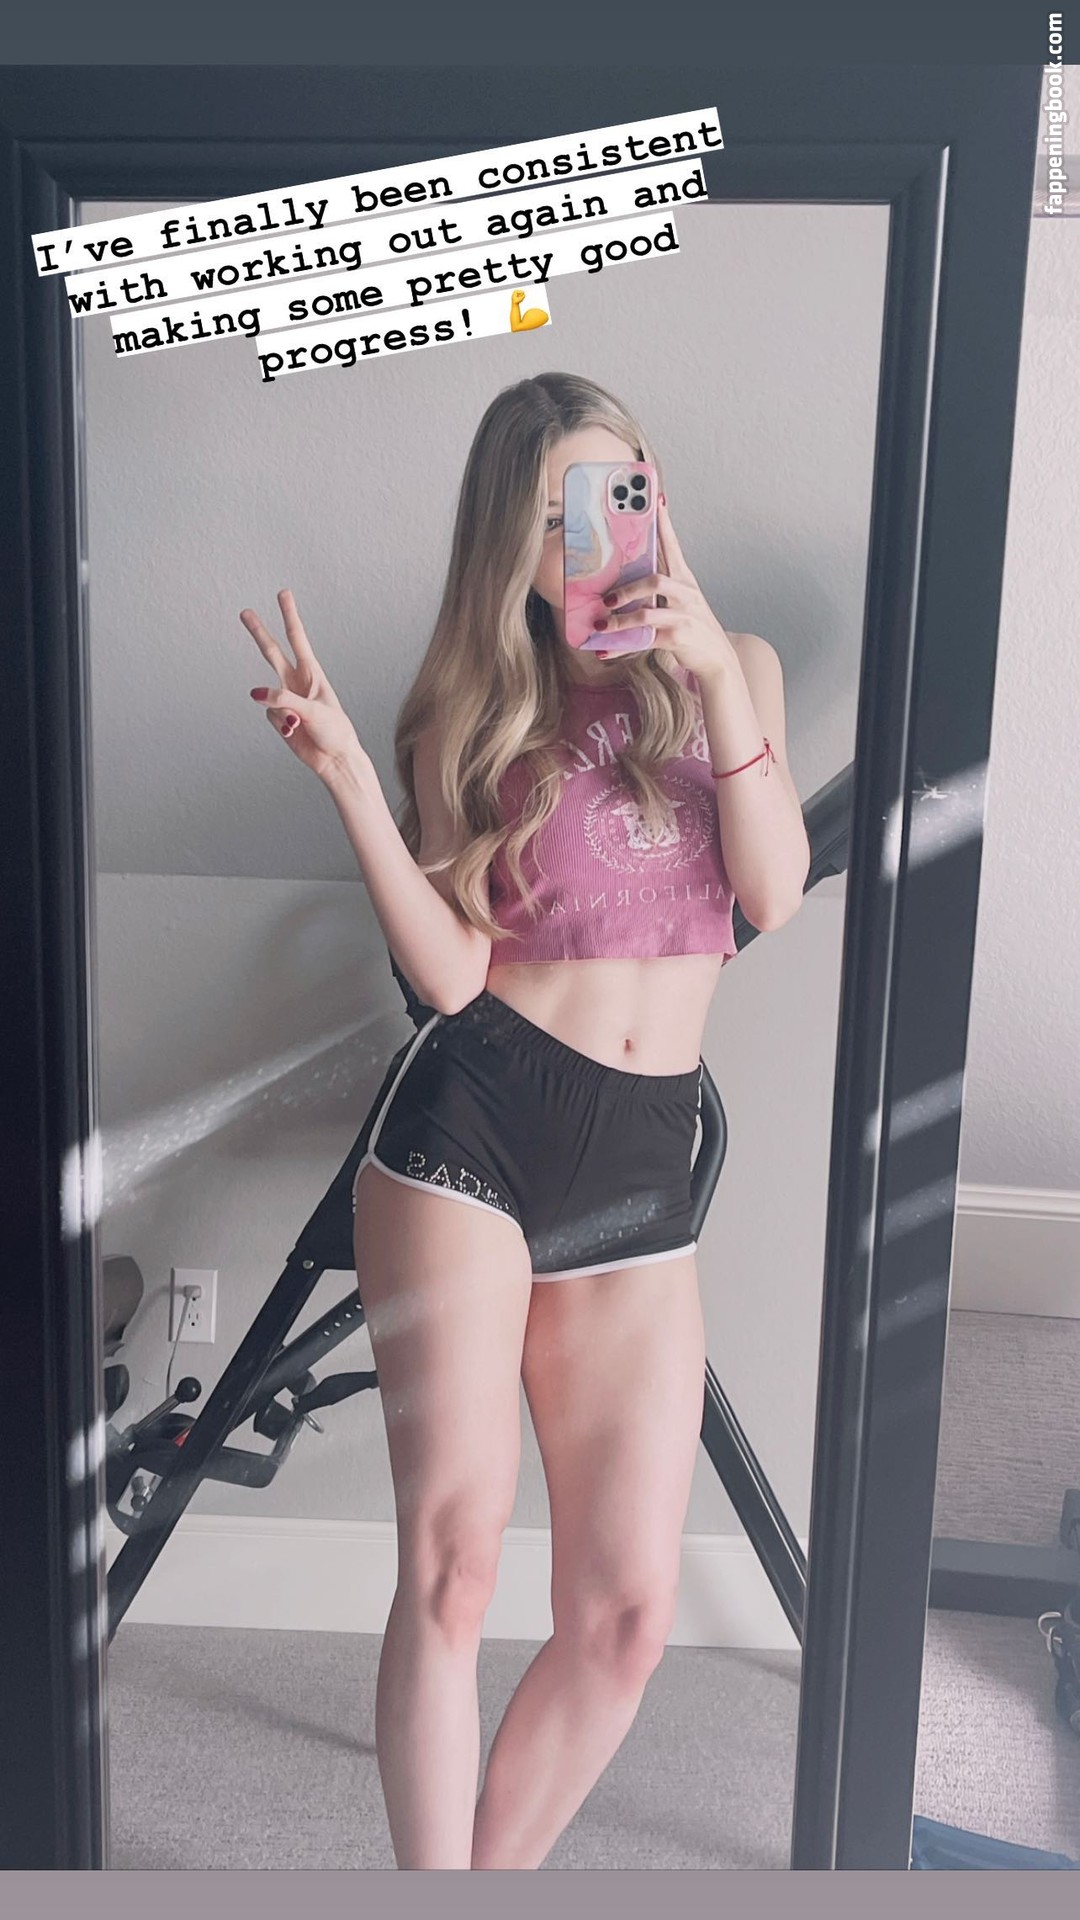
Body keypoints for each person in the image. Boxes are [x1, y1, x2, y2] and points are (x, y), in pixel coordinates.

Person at [241, 371, 811, 1870]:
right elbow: (450, 978)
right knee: (454, 1566)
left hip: (642, 1166)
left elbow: (772, 890)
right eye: (563, 512)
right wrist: (353, 781)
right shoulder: (472, 712)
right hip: (473, 1138)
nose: (597, 537)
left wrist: (711, 671)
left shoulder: (737, 664)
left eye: (620, 494)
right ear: (515, 536)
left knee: (625, 1615)